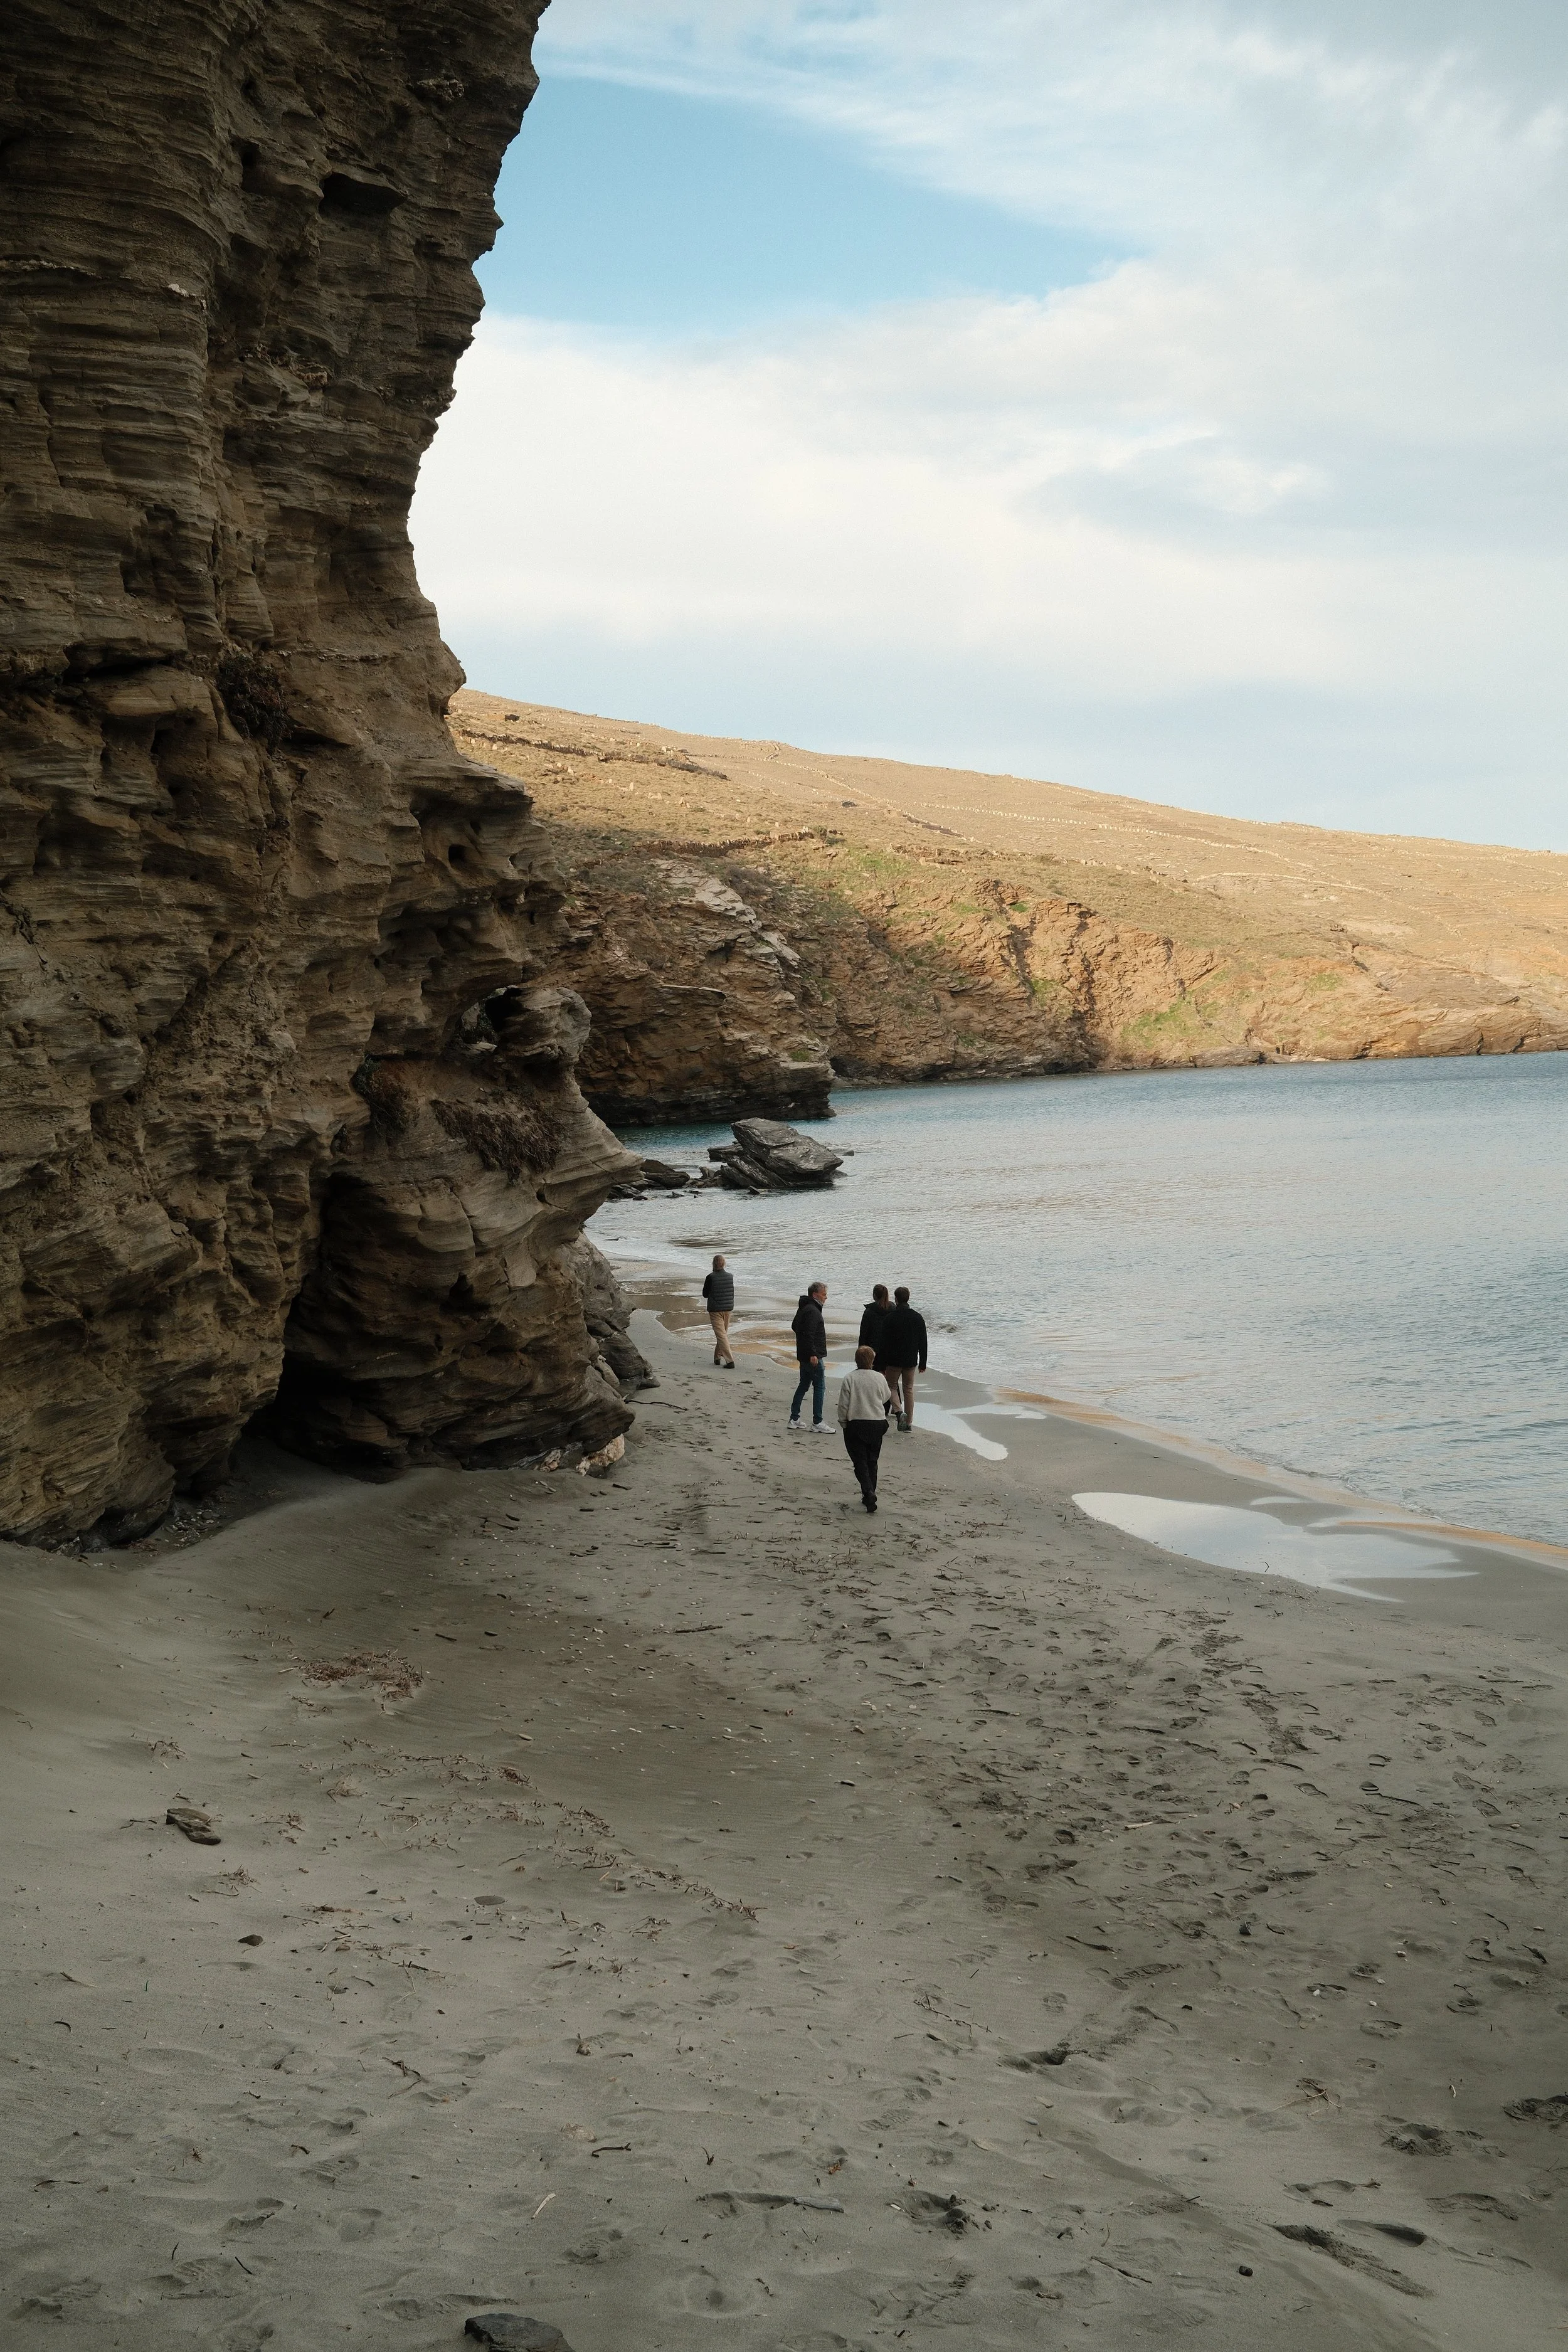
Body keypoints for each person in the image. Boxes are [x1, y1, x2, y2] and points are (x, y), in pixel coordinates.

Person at [837, 1343, 894, 1511]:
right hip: (877, 1422)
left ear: (856, 1361)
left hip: (856, 1424)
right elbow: (886, 1397)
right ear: (873, 1361)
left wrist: (843, 1422)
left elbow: (843, 1405)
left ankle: (868, 1491)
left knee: (860, 1461)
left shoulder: (850, 1378)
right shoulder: (879, 1378)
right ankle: (870, 1492)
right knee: (872, 1460)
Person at [881, 1285, 928, 1431]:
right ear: (908, 1298)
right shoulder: (917, 1317)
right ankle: (908, 1424)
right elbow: (923, 1342)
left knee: (891, 1386)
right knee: (908, 1389)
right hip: (910, 1360)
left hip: (893, 1360)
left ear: (896, 1299)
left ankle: (899, 1411)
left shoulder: (890, 1318)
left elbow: (883, 1343)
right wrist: (923, 1363)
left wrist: (881, 1364)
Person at [788, 1281, 831, 1432]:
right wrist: (813, 1353)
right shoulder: (812, 1310)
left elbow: (795, 1326)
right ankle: (817, 1422)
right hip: (813, 1356)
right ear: (815, 1295)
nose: (826, 1297)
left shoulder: (805, 1307)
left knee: (804, 1384)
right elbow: (809, 1333)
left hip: (804, 1355)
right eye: (824, 1294)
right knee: (820, 1387)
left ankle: (794, 1418)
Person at [701, 1253, 735, 1368]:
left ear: (713, 1264)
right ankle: (717, 1357)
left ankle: (730, 1361)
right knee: (723, 1334)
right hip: (728, 1308)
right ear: (724, 1264)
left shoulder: (710, 1277)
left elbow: (705, 1295)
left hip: (715, 1309)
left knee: (721, 1335)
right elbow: (731, 1293)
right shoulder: (730, 1276)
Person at [857, 1283, 891, 1362]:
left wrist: (860, 1351)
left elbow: (863, 1333)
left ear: (874, 1296)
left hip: (872, 1349)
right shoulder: (893, 1309)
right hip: (889, 1348)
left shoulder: (869, 1311)